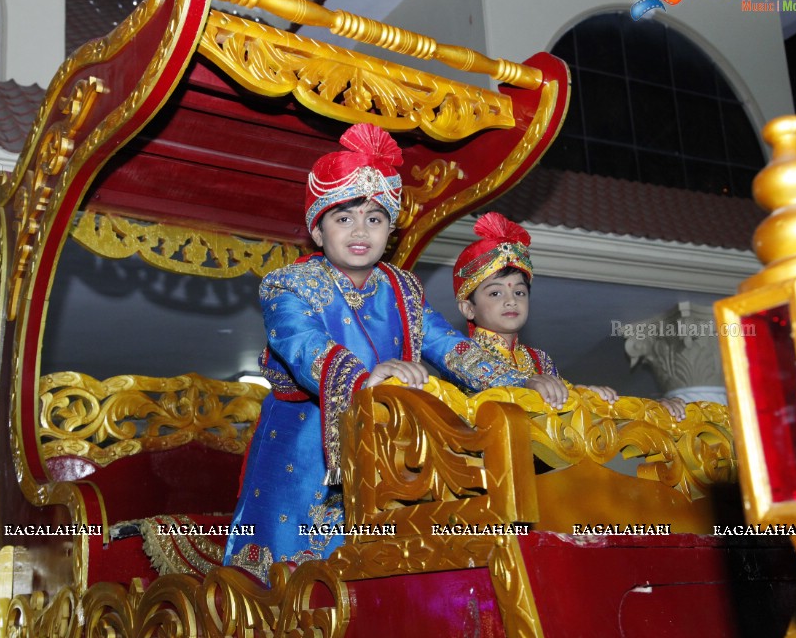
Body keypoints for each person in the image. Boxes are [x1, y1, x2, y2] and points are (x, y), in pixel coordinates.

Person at [222, 124, 551, 582]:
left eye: (375, 219)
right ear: (318, 231)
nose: (361, 231)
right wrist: (365, 378)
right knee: (286, 588)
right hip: (304, 447)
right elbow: (303, 346)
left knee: (379, 586)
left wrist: (520, 382)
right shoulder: (288, 284)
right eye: (344, 219)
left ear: (389, 231)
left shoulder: (404, 288)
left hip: (388, 449)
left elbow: (451, 348)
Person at [452, 212, 685, 418]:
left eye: (520, 291)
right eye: (495, 293)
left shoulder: (538, 359)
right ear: (468, 308)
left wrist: (651, 410)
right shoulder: (460, 355)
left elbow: (565, 407)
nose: (511, 299)